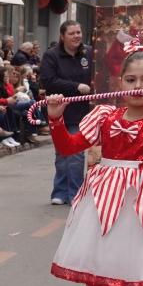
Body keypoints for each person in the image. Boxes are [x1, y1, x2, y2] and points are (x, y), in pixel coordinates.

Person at [44, 49, 143, 286]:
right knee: (95, 284)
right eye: (131, 80)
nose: (138, 86)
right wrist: (57, 117)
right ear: (119, 82)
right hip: (102, 203)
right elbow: (69, 146)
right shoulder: (104, 115)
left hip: (136, 207)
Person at [42, 20, 93, 205]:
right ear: (63, 36)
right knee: (62, 154)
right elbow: (48, 81)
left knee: (76, 154)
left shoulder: (88, 53)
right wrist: (75, 87)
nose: (76, 36)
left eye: (78, 32)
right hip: (59, 112)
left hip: (82, 113)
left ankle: (75, 193)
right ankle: (60, 191)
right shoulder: (51, 56)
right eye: (72, 33)